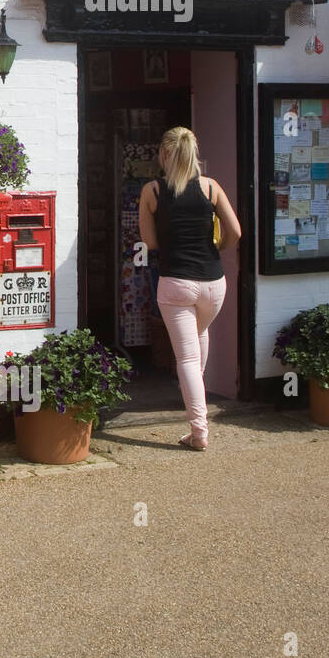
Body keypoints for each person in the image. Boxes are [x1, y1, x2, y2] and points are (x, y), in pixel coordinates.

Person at [138, 128, 241, 450]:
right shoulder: (211, 187)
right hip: (213, 284)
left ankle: (200, 433)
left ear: (165, 154)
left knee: (185, 360)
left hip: (176, 283)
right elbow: (235, 231)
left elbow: (150, 242)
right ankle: (195, 424)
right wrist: (216, 247)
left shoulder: (152, 191)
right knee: (198, 338)